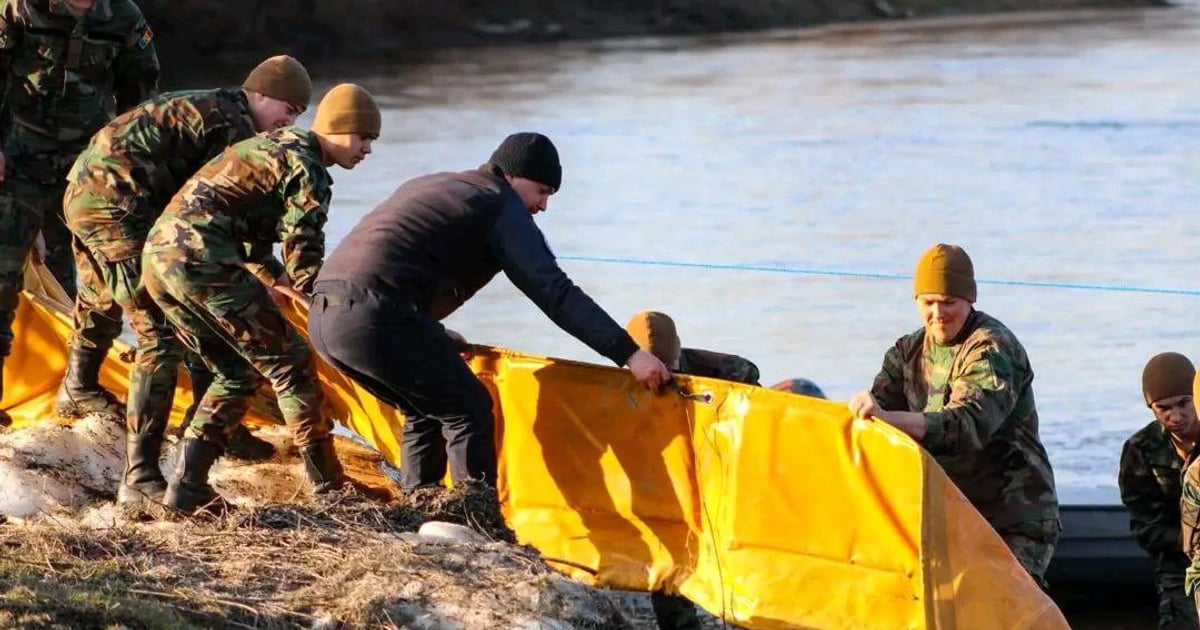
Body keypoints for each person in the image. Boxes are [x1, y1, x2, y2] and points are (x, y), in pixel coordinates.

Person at [307, 132, 671, 492]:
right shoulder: (499, 204)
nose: (543, 206)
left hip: (326, 319)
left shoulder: (443, 184)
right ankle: (473, 520)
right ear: (511, 175)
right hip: (375, 318)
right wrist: (629, 353)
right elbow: (555, 293)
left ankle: (420, 512)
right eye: (542, 191)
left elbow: (393, 266)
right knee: (468, 409)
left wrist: (431, 333)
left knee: (427, 407)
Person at [58, 55, 312, 508]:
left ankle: (82, 387)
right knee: (161, 331)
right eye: (288, 111)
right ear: (259, 95)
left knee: (114, 296)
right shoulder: (234, 128)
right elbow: (214, 213)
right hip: (119, 207)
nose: (287, 125)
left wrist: (264, 268)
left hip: (87, 193)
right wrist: (272, 270)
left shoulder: (214, 105)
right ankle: (140, 476)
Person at [141, 83, 380, 514]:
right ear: (338, 128)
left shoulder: (272, 143)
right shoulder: (310, 169)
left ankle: (187, 487)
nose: (367, 150)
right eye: (362, 137)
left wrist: (278, 279)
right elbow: (303, 248)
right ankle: (329, 486)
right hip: (201, 259)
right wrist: (325, 305)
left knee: (236, 369)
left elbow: (246, 224)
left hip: (159, 259)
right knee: (289, 359)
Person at [847, 243, 1059, 583]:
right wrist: (865, 413)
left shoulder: (992, 348)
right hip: (946, 512)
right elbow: (876, 421)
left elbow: (966, 427)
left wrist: (888, 419)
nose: (938, 313)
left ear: (970, 300)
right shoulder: (906, 351)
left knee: (999, 610)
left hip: (1010, 516)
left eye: (949, 302)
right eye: (928, 302)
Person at [0, 0, 159, 427]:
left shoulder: (123, 16)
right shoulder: (17, 9)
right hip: (17, 163)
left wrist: (129, 164)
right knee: (2, 277)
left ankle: (73, 388)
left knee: (89, 282)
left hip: (86, 171)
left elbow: (139, 95)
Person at [624, 309, 758, 630]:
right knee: (668, 555)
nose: (659, 377)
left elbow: (753, 388)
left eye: (667, 370)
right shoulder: (618, 382)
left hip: (712, 463)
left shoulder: (719, 369)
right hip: (659, 475)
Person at [1119, 352, 1200, 630]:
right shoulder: (1140, 450)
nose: (1176, 416)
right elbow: (1146, 528)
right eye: (1163, 408)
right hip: (1180, 565)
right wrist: (1192, 543)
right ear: (1150, 407)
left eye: (1184, 403)